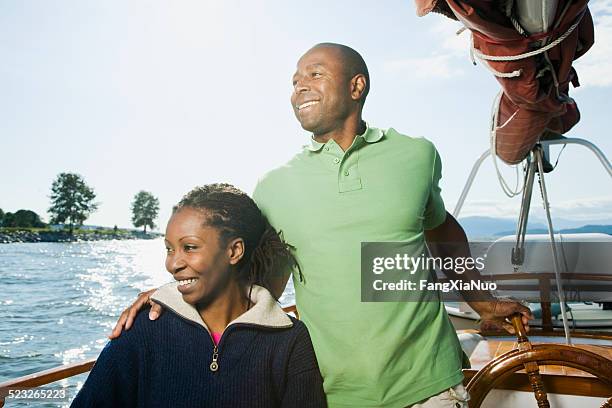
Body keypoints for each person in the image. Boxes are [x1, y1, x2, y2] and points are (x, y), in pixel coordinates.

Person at [110, 44, 532, 407]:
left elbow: (441, 230)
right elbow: (254, 281)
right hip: (329, 390)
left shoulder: (418, 156)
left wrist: (483, 302)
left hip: (430, 382)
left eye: (314, 74)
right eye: (294, 81)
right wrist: (174, 297)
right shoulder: (273, 186)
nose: (299, 88)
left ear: (356, 86)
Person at [73, 184, 326, 408]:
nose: (172, 264)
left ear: (234, 251)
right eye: (169, 249)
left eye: (189, 247)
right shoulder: (142, 328)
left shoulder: (290, 341)